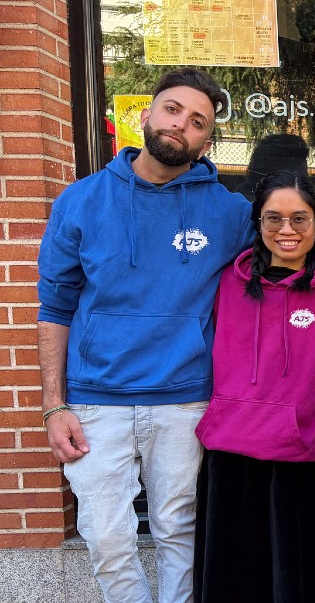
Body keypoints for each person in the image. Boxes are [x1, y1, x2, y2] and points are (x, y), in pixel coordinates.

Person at [37, 68, 254, 602]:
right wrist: (52, 404)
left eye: (199, 121)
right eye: (173, 110)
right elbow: (56, 306)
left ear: (207, 139)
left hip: (185, 400)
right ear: (146, 115)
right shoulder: (82, 200)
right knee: (106, 537)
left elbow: (277, 277)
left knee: (178, 531)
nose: (182, 125)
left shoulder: (230, 212)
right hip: (95, 403)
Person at [192, 171, 315, 602]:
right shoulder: (226, 283)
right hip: (228, 453)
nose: (286, 230)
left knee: (294, 582)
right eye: (273, 218)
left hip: (292, 458)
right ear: (258, 224)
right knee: (232, 581)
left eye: (299, 219)